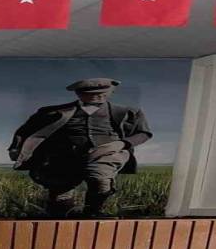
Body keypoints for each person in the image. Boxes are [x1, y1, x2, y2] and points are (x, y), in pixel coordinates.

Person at [8, 78, 152, 218]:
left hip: (107, 153)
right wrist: (16, 148)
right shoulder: (52, 112)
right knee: (60, 192)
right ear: (78, 93)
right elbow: (26, 130)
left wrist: (121, 144)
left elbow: (143, 133)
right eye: (90, 93)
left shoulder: (128, 112)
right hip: (64, 156)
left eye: (102, 93)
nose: (97, 96)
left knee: (100, 178)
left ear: (111, 92)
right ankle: (64, 217)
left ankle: (93, 212)